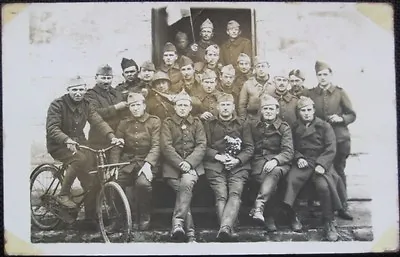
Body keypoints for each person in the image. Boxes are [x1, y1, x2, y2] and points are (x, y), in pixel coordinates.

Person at [46, 75, 123, 228]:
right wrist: (66, 140)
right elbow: (52, 128)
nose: (78, 93)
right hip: (59, 144)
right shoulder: (57, 105)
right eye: (74, 90)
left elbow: (98, 122)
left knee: (92, 178)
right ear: (68, 90)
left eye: (81, 89)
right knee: (79, 159)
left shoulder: (87, 104)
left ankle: (90, 218)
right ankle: (63, 194)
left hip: (80, 143)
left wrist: (112, 137)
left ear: (85, 90)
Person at [282, 96, 350, 241]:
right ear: (299, 112)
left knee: (323, 186)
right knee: (291, 181)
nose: (306, 113)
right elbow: (290, 146)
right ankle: (294, 216)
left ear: (313, 110)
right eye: (303, 110)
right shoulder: (294, 127)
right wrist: (298, 157)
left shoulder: (324, 126)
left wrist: (322, 164)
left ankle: (329, 221)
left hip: (321, 162)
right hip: (303, 162)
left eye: (309, 110)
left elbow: (331, 148)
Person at [307, 61, 356, 219]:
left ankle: (343, 206)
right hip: (320, 141)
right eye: (319, 75)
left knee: (339, 171)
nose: (322, 77)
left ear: (331, 75)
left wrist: (340, 118)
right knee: (320, 171)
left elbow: (352, 114)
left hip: (340, 139)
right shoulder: (311, 94)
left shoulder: (340, 93)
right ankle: (321, 204)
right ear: (316, 76)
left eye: (325, 74)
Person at [203, 93, 254, 241]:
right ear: (218, 107)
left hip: (238, 166)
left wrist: (237, 160)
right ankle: (227, 227)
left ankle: (225, 228)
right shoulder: (209, 124)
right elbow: (203, 146)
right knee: (221, 195)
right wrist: (218, 156)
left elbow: (249, 148)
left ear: (233, 107)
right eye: (222, 105)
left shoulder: (243, 124)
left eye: (228, 105)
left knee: (235, 193)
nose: (225, 108)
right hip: (215, 165)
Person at [110, 92, 161, 231]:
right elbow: (117, 146)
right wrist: (115, 165)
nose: (135, 108)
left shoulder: (154, 121)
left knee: (143, 184)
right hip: (128, 163)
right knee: (114, 183)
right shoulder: (124, 123)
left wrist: (148, 164)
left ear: (144, 105)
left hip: (147, 162)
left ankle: (144, 216)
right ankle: (120, 218)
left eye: (138, 105)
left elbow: (156, 146)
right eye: (132, 105)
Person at [161, 92, 207, 242]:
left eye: (185, 105)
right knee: (184, 191)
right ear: (174, 107)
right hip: (172, 168)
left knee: (186, 184)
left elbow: (201, 145)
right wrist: (181, 163)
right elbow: (166, 146)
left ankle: (178, 224)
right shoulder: (167, 123)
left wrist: (189, 163)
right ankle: (191, 234)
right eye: (179, 105)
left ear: (190, 108)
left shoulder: (197, 123)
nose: (182, 108)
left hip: (192, 166)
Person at [248, 94, 294, 232]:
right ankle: (267, 216)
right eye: (265, 108)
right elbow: (249, 147)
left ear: (277, 110)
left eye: (271, 109)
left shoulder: (284, 127)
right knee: (270, 183)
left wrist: (275, 160)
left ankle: (259, 206)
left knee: (274, 173)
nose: (268, 111)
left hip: (280, 163)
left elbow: (288, 151)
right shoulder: (253, 125)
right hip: (259, 162)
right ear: (261, 110)